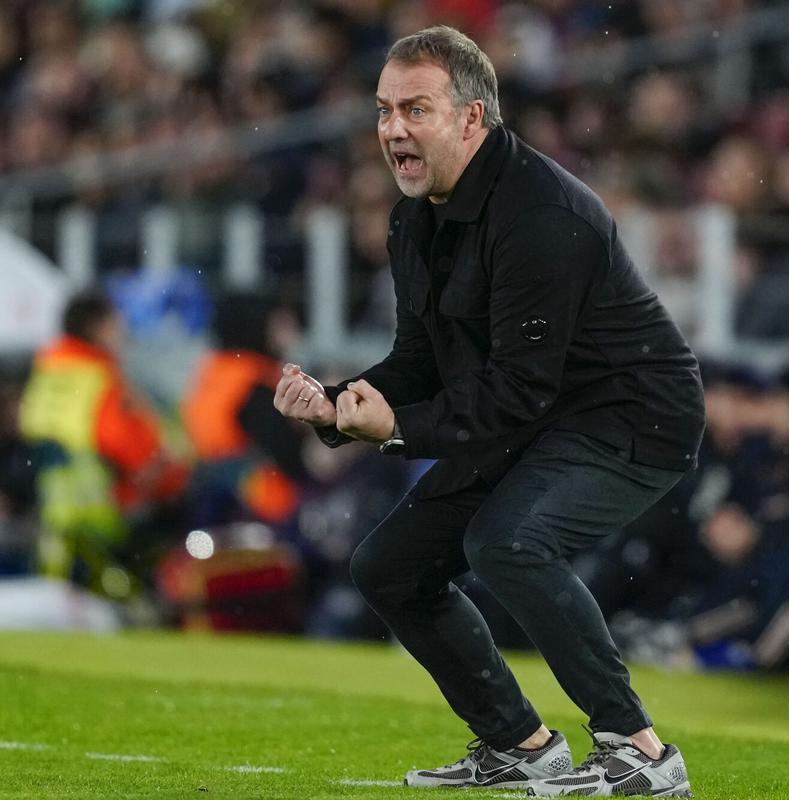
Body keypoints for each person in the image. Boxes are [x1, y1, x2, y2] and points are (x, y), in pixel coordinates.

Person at [273, 27, 702, 797]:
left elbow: (518, 387)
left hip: (632, 416)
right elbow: (421, 359)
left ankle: (640, 749)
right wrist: (339, 405)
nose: (392, 130)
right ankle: (520, 744)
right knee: (390, 568)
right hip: (538, 417)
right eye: (382, 110)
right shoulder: (414, 217)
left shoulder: (542, 214)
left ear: (473, 119)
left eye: (415, 109)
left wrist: (396, 426)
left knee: (508, 541)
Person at [18, 291, 188, 601]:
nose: (123, 330)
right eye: (116, 322)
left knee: (59, 596)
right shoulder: (98, 375)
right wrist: (169, 474)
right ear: (98, 327)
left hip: (53, 506)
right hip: (103, 505)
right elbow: (123, 440)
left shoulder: (48, 371)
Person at [182, 293, 310, 528]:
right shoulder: (255, 383)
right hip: (265, 508)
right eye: (280, 324)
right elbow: (287, 453)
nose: (292, 333)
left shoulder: (216, 372)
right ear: (259, 325)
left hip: (212, 499)